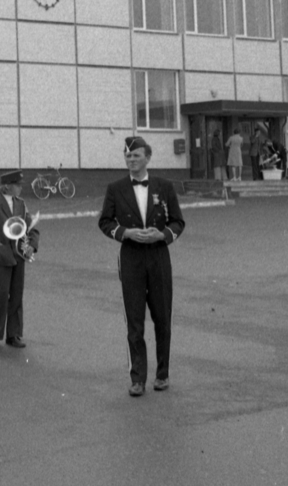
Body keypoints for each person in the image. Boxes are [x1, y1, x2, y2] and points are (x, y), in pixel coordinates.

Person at [98, 136, 186, 397]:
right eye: (128, 156)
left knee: (162, 319)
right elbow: (105, 222)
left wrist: (163, 235)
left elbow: (178, 222)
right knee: (134, 321)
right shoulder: (115, 188)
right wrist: (125, 233)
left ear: (147, 158)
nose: (131, 160)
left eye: (136, 155)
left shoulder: (164, 186)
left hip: (158, 257)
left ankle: (162, 374)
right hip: (132, 258)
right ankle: (137, 378)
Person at [0, 170, 38, 350]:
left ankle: (13, 334)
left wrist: (32, 245)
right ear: (8, 186)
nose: (20, 188)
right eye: (18, 185)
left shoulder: (21, 204)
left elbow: (30, 226)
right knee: (3, 294)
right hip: (3, 256)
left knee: (17, 295)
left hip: (19, 255)